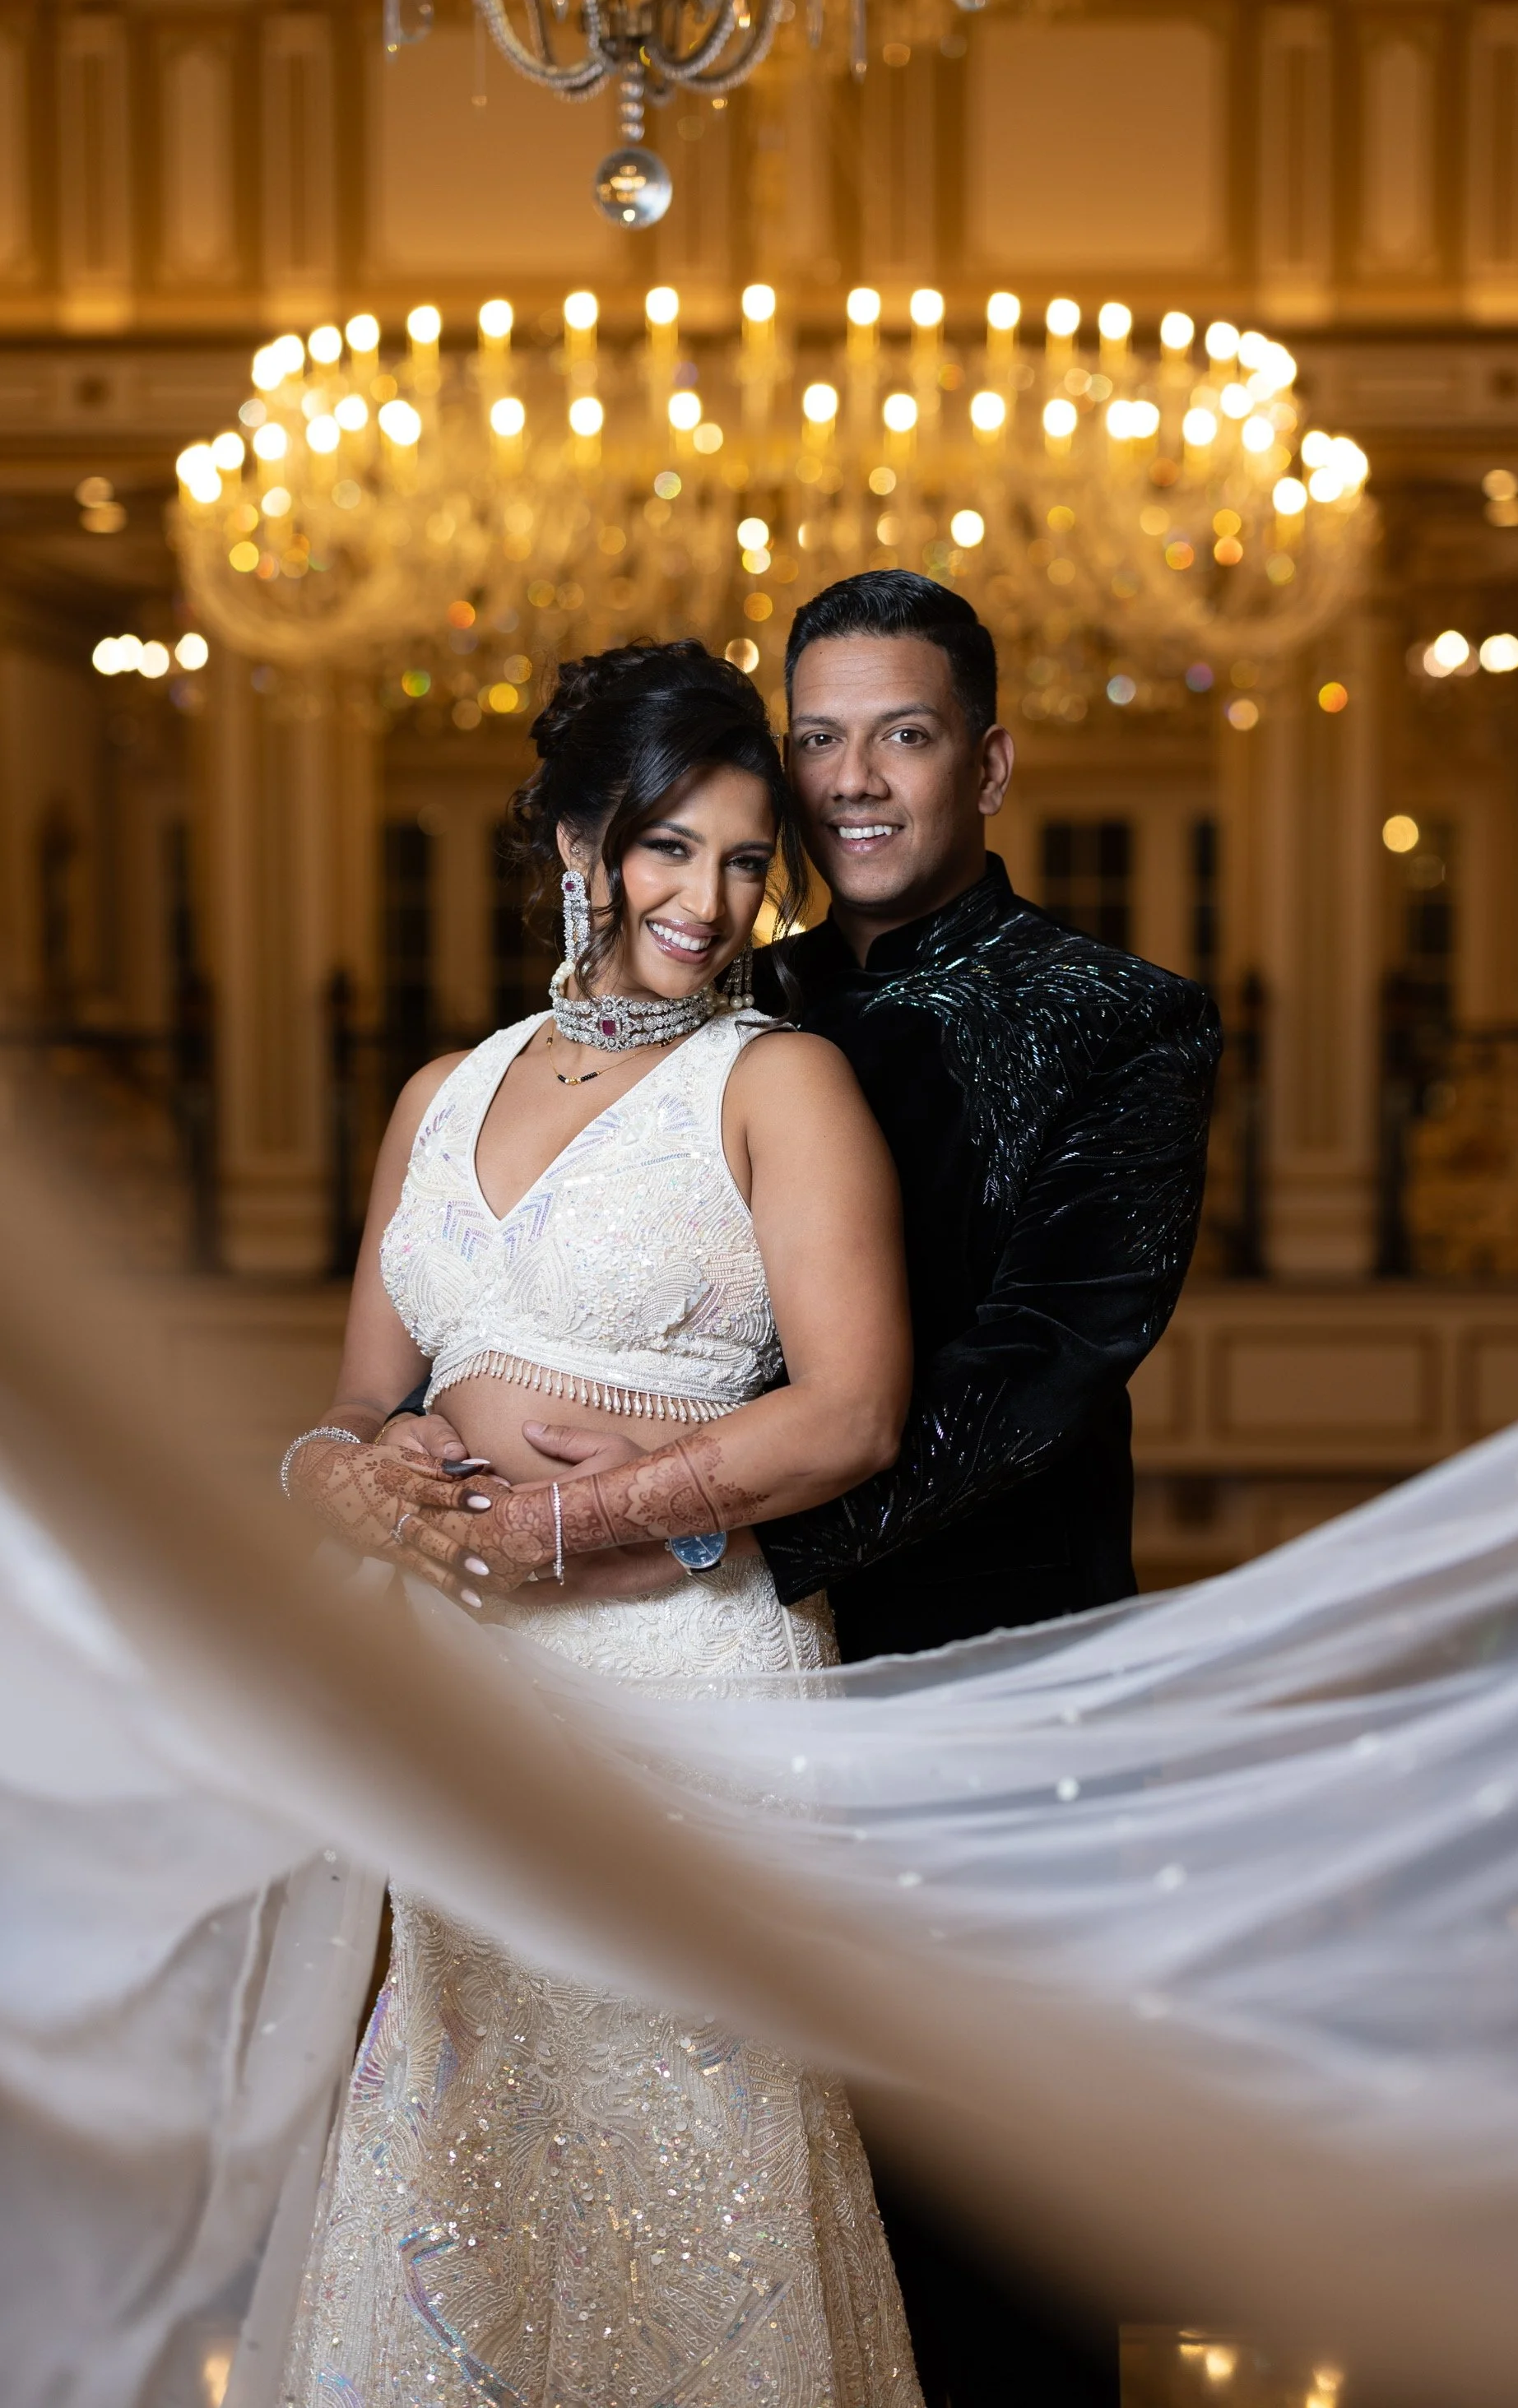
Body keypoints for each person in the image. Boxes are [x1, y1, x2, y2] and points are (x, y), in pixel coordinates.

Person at [371, 572, 1223, 2407]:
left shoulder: (1117, 1018)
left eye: (900, 734)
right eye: (814, 738)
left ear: (984, 758)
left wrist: (689, 1518)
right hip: (695, 1659)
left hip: (995, 1688)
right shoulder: (733, 995)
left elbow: (1033, 1375)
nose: (849, 782)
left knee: (1001, 2216)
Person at [279, 639, 922, 2408]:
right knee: (466, 2166)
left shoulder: (775, 1083)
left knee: (685, 2183)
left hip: (680, 1683)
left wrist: (587, 1525)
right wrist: (337, 1473)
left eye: (741, 857)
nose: (708, 900)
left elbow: (854, 1410)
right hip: (458, 1692)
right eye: (664, 848)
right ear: (576, 841)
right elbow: (353, 1402)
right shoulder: (438, 1092)